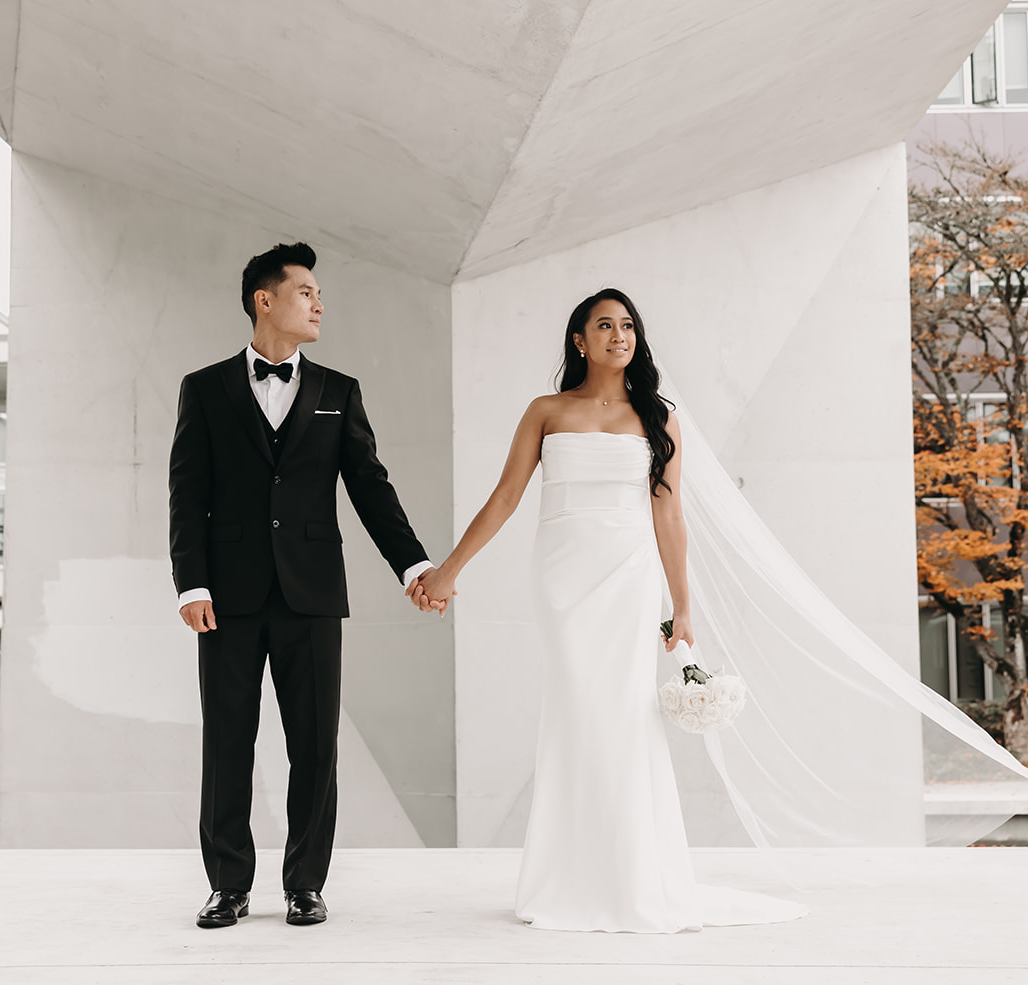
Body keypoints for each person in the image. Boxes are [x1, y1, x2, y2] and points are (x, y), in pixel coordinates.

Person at [410, 288, 805, 932]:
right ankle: (569, 877)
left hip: (628, 577)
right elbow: (507, 496)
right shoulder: (546, 410)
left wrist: (682, 607)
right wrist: (448, 572)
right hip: (561, 578)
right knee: (574, 712)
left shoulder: (659, 418)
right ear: (580, 340)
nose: (619, 334)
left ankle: (629, 878)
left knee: (622, 717)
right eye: (604, 325)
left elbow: (669, 514)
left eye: (628, 326)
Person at [169, 242, 444, 930]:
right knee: (227, 741)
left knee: (314, 747)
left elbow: (370, 487)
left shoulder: (337, 391)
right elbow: (186, 495)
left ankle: (305, 884)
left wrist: (413, 565)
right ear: (265, 300)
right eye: (306, 292)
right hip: (226, 598)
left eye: (320, 295)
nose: (319, 304)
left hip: (314, 595)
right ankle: (228, 885)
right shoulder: (204, 388)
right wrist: (190, 583)